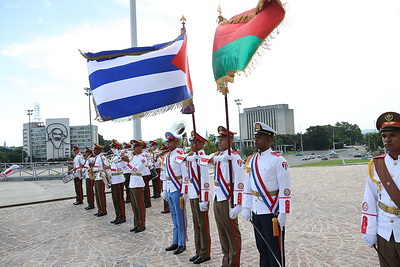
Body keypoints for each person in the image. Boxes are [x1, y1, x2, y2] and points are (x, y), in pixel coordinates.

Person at [241, 122, 291, 267]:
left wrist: (283, 212)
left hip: (271, 212)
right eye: (256, 136)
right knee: (262, 248)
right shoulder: (251, 160)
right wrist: (246, 207)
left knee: (274, 250)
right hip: (257, 210)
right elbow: (248, 186)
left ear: (270, 140)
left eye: (261, 137)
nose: (256, 140)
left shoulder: (278, 160)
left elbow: (285, 189)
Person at [200, 126, 244, 267]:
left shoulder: (235, 157)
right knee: (222, 232)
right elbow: (203, 160)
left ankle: (234, 263)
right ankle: (226, 261)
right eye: (219, 138)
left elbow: (240, 182)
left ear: (230, 140)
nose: (219, 141)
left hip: (228, 198)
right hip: (217, 197)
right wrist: (221, 157)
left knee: (232, 233)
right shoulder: (219, 155)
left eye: (222, 138)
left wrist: (238, 204)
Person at [361, 111, 400, 266]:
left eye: (393, 135)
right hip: (385, 232)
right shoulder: (376, 165)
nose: (387, 140)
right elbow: (369, 199)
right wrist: (368, 229)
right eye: (384, 136)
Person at [181, 131, 211, 264]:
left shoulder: (202, 159)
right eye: (191, 141)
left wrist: (204, 199)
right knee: (196, 224)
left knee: (203, 224)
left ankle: (205, 252)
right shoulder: (192, 157)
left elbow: (205, 180)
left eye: (195, 142)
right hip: (193, 192)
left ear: (201, 144)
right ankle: (198, 250)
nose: (192, 144)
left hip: (200, 193)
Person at [162, 131, 187, 255]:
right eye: (167, 141)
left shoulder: (180, 155)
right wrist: (164, 190)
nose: (168, 144)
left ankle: (182, 243)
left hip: (178, 189)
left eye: (170, 141)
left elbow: (185, 175)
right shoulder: (166, 156)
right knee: (173, 216)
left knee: (181, 217)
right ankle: (175, 241)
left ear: (176, 142)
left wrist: (184, 191)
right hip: (170, 188)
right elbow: (164, 175)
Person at [123, 140, 148, 233]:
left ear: (140, 147)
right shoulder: (134, 157)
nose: (134, 149)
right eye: (133, 147)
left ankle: (142, 224)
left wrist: (127, 162)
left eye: (136, 147)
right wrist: (125, 162)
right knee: (134, 206)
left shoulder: (143, 158)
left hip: (138, 182)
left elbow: (135, 169)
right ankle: (136, 224)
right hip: (132, 182)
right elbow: (127, 169)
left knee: (140, 205)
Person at [109, 140, 126, 224]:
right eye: (111, 147)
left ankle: (122, 217)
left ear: (117, 148)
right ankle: (117, 216)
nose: (112, 148)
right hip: (113, 180)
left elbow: (120, 168)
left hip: (119, 179)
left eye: (113, 147)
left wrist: (108, 168)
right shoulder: (114, 157)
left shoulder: (121, 156)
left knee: (119, 199)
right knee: (115, 199)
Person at [90, 143, 109, 217]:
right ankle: (99, 209)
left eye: (95, 149)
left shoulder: (102, 157)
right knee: (97, 195)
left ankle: (103, 210)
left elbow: (105, 166)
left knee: (101, 195)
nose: (94, 150)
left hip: (100, 177)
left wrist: (95, 168)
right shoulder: (96, 157)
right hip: (96, 177)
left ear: (99, 150)